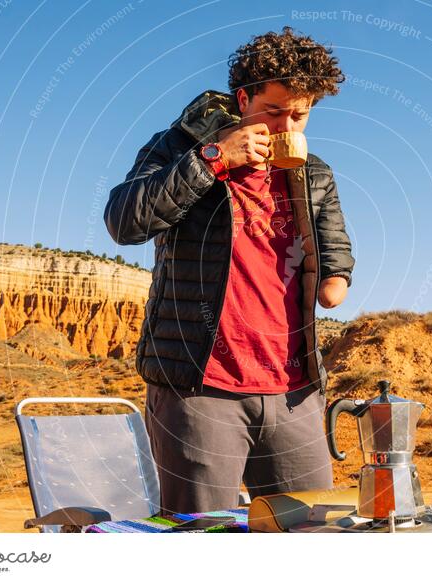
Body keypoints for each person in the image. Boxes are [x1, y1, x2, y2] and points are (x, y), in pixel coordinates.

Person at [103, 27, 355, 514]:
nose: (285, 126)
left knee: (312, 534)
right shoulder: (181, 145)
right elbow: (124, 220)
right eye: (273, 111)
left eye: (298, 115)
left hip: (294, 390)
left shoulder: (315, 171)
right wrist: (214, 158)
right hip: (199, 388)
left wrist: (337, 275)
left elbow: (334, 240)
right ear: (244, 98)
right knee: (202, 538)